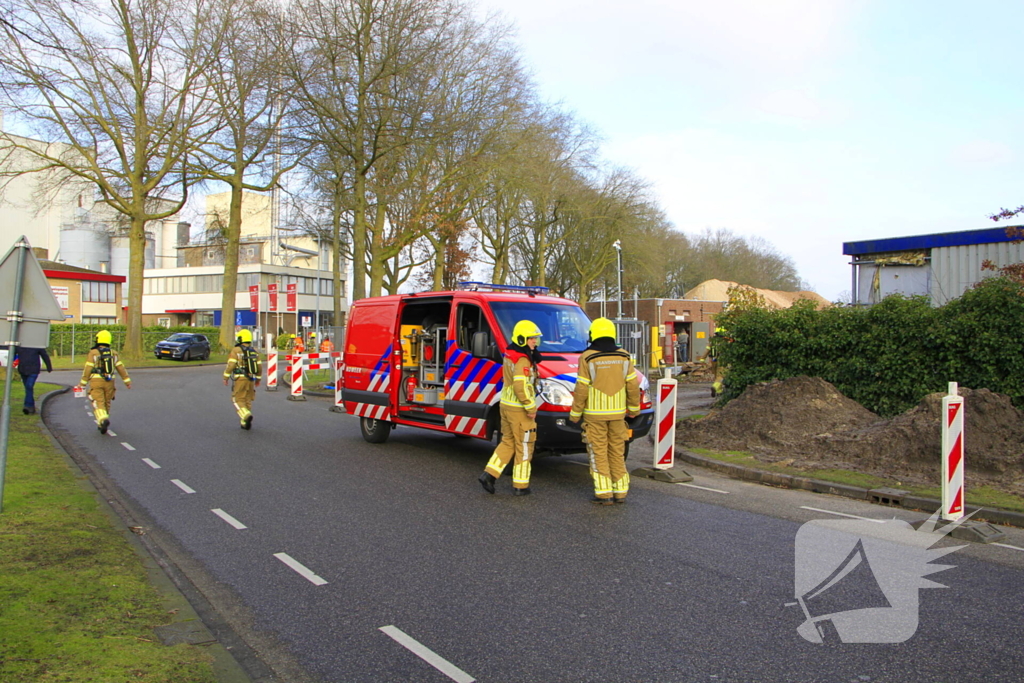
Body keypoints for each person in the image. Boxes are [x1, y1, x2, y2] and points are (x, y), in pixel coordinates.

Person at [569, 318, 641, 505]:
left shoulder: (587, 357)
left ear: (593, 334)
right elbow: (633, 385)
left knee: (598, 452)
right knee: (617, 452)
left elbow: (582, 388)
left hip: (595, 416)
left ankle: (604, 493)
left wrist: (575, 414)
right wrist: (634, 409)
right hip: (618, 415)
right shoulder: (624, 356)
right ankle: (621, 492)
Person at [478, 320, 542, 496]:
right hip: (519, 409)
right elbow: (520, 386)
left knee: (508, 442)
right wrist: (530, 407)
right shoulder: (522, 359)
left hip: (506, 405)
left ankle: (489, 475)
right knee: (525, 445)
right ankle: (521, 486)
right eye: (531, 339)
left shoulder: (510, 354)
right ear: (522, 339)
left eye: (535, 339)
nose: (534, 342)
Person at [80, 330, 132, 434]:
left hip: (96, 380)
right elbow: (120, 368)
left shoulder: (93, 353)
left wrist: (83, 383)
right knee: (107, 402)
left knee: (98, 401)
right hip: (110, 381)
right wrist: (127, 381)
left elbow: (88, 369)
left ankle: (103, 419)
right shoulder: (114, 353)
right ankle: (102, 424)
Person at [223, 329, 262, 430]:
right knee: (247, 399)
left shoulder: (236, 350)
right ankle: (245, 423)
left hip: (240, 378)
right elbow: (259, 367)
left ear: (240, 338)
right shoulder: (254, 351)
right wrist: (258, 379)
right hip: (251, 379)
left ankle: (245, 415)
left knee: (236, 399)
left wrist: (226, 377)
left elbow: (231, 365)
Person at [16, 346, 52, 415]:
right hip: (23, 370)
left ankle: (28, 406)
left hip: (33, 370)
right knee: (28, 388)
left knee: (29, 386)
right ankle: (31, 407)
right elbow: (12, 353)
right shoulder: (20, 346)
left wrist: (49, 366)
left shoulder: (36, 345)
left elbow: (44, 355)